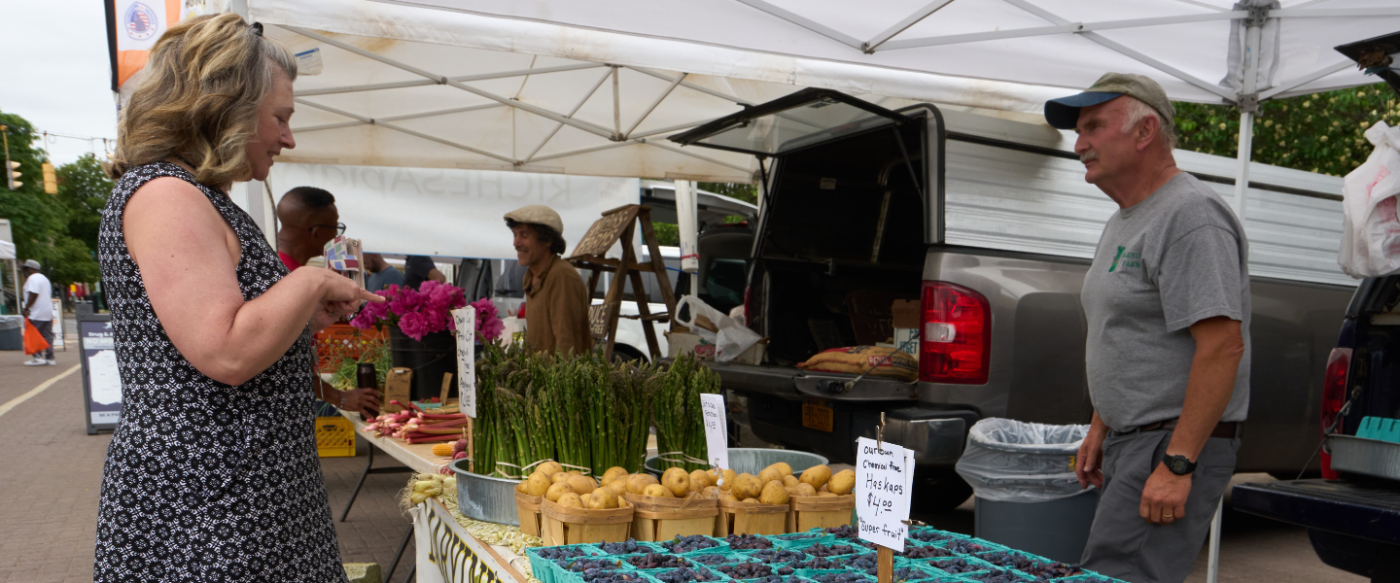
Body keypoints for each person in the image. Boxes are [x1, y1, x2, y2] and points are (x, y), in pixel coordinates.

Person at [94, 14, 382, 582]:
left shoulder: (194, 195)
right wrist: (308, 282)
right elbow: (224, 352)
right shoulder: (167, 196)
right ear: (224, 106)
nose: (288, 137)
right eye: (280, 117)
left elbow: (222, 333)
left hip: (241, 499)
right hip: (208, 509)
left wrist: (296, 314)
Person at [1047, 73, 1250, 583]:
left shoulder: (1190, 215)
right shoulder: (1126, 217)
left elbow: (1223, 347)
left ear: (1145, 132)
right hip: (1133, 440)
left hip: (1167, 443)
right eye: (1078, 131)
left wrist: (1178, 465)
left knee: (1117, 576)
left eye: (1093, 126)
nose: (1079, 145)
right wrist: (1102, 422)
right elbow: (1129, 331)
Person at [505, 205, 592, 355]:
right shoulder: (531, 277)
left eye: (524, 235)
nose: (516, 243)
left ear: (547, 240)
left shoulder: (561, 276)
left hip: (558, 377)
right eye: (515, 235)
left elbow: (567, 346)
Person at [276, 185, 341, 271]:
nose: (336, 235)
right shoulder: (290, 277)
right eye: (335, 227)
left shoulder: (265, 260)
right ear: (317, 233)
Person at [20, 259, 55, 366]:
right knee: (47, 335)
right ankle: (50, 358)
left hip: (36, 312)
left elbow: (33, 293)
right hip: (47, 312)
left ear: (31, 269)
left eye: (25, 269)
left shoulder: (32, 278)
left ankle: (38, 357)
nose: (24, 271)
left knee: (33, 335)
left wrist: (26, 308)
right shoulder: (44, 278)